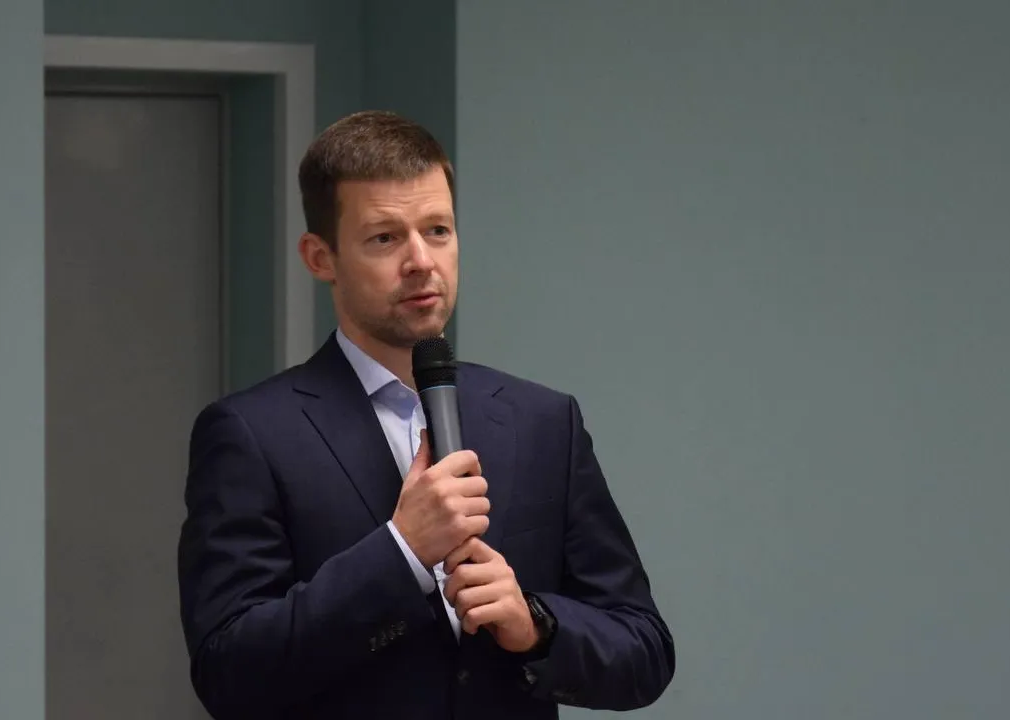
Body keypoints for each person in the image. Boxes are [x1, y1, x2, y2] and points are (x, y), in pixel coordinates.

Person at [176, 110, 675, 719]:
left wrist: (534, 624)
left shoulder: (544, 421)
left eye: (438, 230)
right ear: (320, 257)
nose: (421, 260)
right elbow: (228, 671)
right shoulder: (251, 434)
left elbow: (643, 651)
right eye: (384, 238)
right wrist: (401, 553)